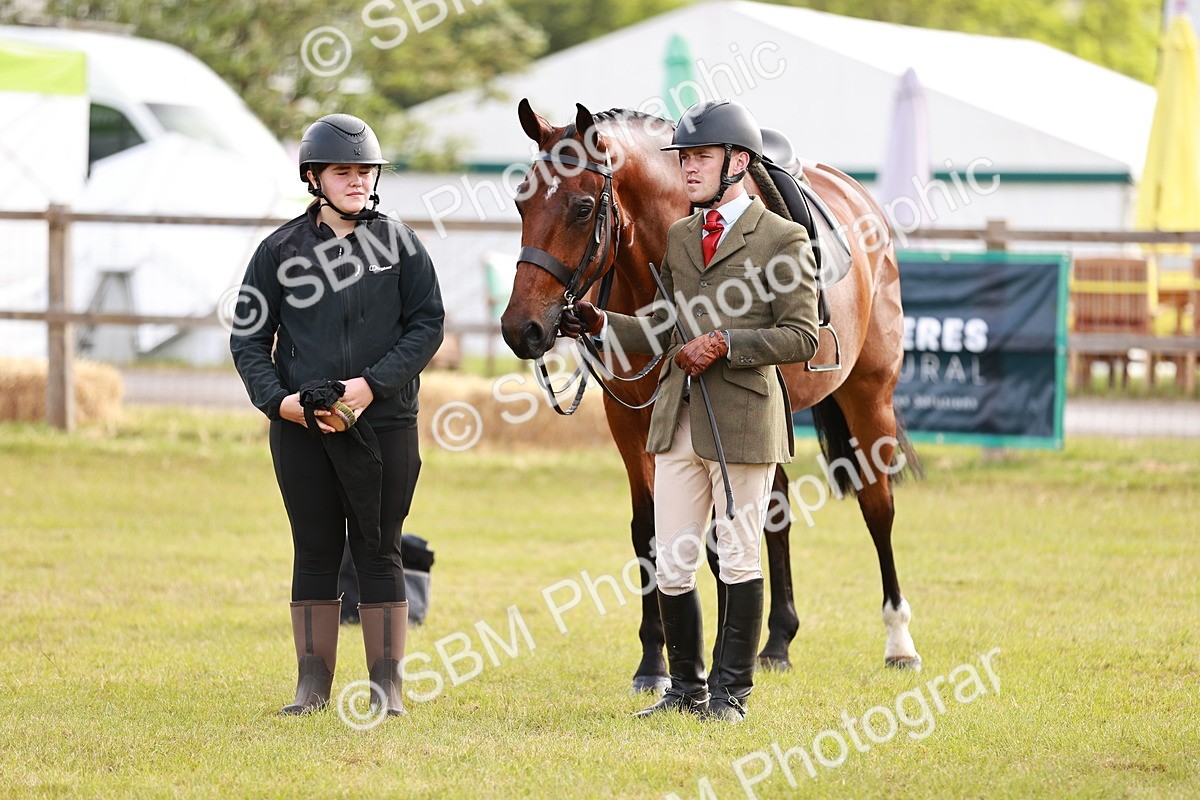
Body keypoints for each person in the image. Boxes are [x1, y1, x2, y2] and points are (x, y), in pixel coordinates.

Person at [560, 100, 819, 722]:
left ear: (737, 161)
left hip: (743, 417)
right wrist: (602, 323)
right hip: (676, 417)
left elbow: (803, 337)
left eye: (701, 157)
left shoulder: (782, 238)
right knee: (671, 557)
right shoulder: (680, 236)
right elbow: (665, 323)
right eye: (684, 159)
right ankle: (685, 689)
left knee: (736, 552)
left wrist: (728, 342)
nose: (688, 169)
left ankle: (732, 695)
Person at [230, 113, 444, 717]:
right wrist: (282, 403)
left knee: (381, 551)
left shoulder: (400, 245)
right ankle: (312, 688)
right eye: (343, 171)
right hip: (303, 429)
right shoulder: (278, 252)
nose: (356, 181)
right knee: (315, 551)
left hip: (386, 424)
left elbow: (428, 325)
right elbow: (248, 339)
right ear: (313, 177)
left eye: (364, 171)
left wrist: (373, 386)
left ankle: (387, 690)